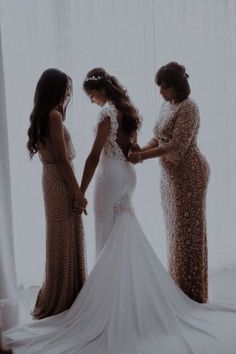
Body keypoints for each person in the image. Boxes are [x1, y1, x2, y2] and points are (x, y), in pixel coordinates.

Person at [3, 68, 236, 354]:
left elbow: (92, 156)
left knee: (108, 238)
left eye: (90, 95)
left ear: (100, 90)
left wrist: (82, 192)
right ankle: (130, 297)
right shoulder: (127, 111)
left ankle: (112, 300)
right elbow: (132, 149)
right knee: (123, 233)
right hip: (126, 175)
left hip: (109, 178)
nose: (89, 101)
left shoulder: (105, 115)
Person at [129, 62, 210, 303]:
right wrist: (141, 148)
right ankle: (178, 286)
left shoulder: (189, 107)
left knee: (189, 232)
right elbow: (159, 136)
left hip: (190, 174)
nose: (161, 92)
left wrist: (141, 157)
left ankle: (193, 293)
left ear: (177, 86)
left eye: (165, 87)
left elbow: (177, 146)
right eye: (160, 87)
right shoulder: (167, 105)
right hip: (170, 178)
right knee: (175, 230)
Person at [27, 68, 87, 319]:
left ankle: (63, 293)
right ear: (55, 89)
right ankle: (63, 297)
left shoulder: (44, 114)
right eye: (66, 88)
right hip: (59, 181)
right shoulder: (54, 116)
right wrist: (78, 193)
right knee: (63, 235)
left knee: (60, 234)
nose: (68, 93)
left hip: (50, 179)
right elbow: (62, 160)